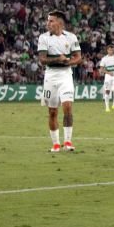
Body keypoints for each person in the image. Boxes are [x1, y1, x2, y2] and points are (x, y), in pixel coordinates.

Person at [37, 10, 81, 152]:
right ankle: (56, 144)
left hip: (65, 76)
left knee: (67, 107)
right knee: (52, 112)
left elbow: (78, 57)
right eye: (48, 20)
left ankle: (68, 142)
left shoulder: (71, 37)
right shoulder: (44, 38)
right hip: (50, 77)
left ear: (59, 23)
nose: (47, 23)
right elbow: (42, 60)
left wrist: (68, 62)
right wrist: (58, 59)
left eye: (51, 21)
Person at [98, 44, 114, 112]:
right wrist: (108, 73)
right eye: (109, 50)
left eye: (112, 50)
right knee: (107, 91)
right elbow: (101, 69)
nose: (111, 51)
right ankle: (107, 107)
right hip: (108, 76)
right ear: (107, 50)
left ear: (113, 50)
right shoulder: (104, 58)